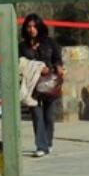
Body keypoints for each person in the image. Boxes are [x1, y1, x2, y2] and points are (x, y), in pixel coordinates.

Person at [19, 14, 63, 156]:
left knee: (49, 116)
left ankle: (48, 142)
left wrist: (58, 67)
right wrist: (37, 67)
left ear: (39, 27)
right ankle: (41, 146)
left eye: (34, 26)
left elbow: (57, 59)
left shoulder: (49, 42)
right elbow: (20, 63)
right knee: (37, 116)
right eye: (29, 26)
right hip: (31, 85)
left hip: (48, 82)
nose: (31, 29)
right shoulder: (22, 46)